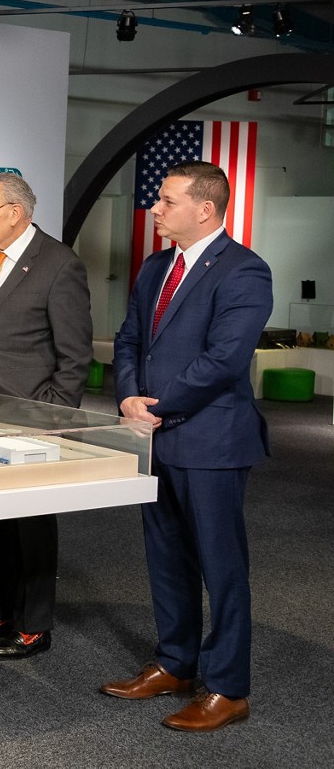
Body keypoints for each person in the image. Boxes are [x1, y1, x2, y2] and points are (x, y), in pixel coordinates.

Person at [101, 161, 271, 732]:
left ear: (205, 209)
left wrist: (156, 405)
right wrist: (129, 396)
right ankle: (176, 664)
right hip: (154, 437)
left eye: (167, 201)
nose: (155, 208)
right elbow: (129, 339)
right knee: (166, 559)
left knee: (222, 568)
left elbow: (224, 361)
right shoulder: (156, 267)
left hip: (210, 440)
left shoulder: (245, 271)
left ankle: (228, 688)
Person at [0, 172, 93, 660]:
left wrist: (50, 417)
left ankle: (33, 624)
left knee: (30, 523)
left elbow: (75, 357)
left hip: (31, 416)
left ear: (15, 212)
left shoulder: (60, 265)